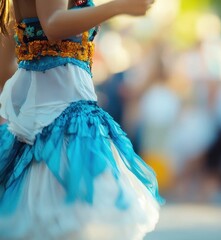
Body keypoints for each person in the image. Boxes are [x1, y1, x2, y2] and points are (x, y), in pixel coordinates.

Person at [0, 0, 163, 239]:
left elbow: (5, 66)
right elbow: (53, 24)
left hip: (43, 125)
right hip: (64, 125)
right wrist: (118, 7)